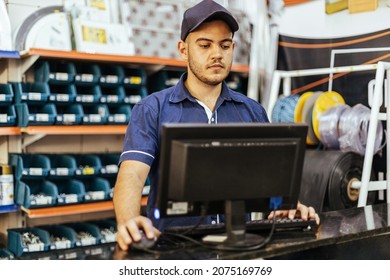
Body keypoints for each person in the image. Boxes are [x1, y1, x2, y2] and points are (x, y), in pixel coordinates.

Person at [113, 0, 319, 251]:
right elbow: (132, 175)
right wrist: (129, 221)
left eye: (224, 45)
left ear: (233, 47)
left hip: (239, 247)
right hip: (175, 251)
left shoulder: (252, 111)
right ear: (183, 49)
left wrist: (286, 206)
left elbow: (269, 182)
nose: (217, 54)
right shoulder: (151, 109)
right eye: (204, 45)